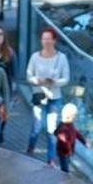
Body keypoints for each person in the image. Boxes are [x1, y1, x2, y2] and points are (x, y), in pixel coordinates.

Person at [25, 28, 69, 164]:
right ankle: (31, 147)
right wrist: (36, 80)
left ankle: (51, 159)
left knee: (52, 129)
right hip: (39, 95)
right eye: (44, 38)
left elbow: (66, 78)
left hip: (54, 97)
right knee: (37, 127)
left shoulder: (61, 58)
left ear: (54, 40)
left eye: (49, 38)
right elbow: (28, 76)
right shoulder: (35, 57)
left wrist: (55, 82)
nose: (46, 41)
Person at [52, 104, 87, 172]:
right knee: (65, 170)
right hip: (64, 152)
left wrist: (84, 142)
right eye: (74, 115)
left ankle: (64, 177)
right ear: (69, 116)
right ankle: (64, 180)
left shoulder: (70, 124)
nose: (75, 117)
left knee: (65, 167)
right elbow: (62, 139)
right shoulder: (63, 127)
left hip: (68, 152)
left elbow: (76, 133)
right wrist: (69, 149)